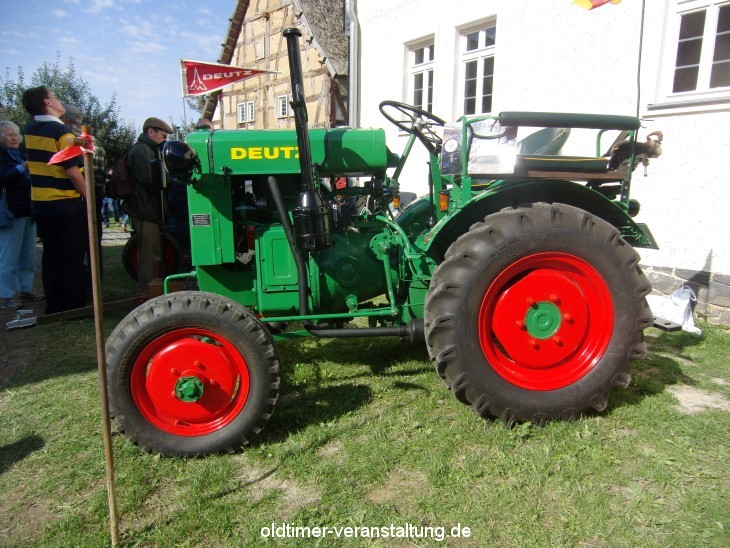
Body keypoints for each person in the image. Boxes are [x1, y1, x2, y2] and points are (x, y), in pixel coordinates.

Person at [22, 86, 88, 314]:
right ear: (46, 102)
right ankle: (72, 305)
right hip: (65, 201)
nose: (59, 101)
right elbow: (72, 172)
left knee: (51, 254)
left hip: (40, 202)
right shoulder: (62, 133)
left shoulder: (29, 130)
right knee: (72, 253)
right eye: (55, 97)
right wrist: (88, 197)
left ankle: (54, 303)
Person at [121, 117, 172, 299]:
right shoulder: (142, 150)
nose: (164, 140)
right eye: (163, 136)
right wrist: (170, 179)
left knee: (153, 252)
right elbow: (151, 180)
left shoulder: (149, 149)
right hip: (145, 209)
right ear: (151, 132)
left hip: (148, 208)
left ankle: (150, 289)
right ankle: (146, 293)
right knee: (150, 254)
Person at [0, 120, 41, 309]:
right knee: (9, 256)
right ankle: (5, 295)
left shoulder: (19, 154)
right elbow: (3, 178)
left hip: (28, 210)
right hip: (11, 213)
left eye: (16, 134)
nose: (15, 137)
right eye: (10, 134)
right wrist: (22, 168)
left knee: (27, 255)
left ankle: (25, 290)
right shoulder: (4, 156)